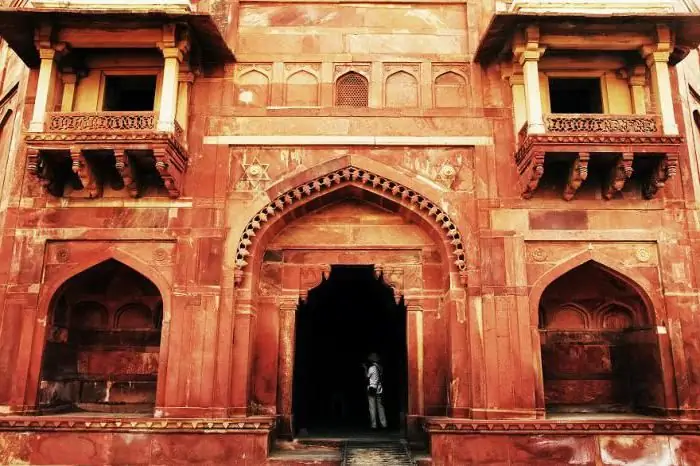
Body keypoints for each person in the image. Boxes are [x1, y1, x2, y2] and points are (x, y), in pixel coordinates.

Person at [363, 352, 387, 429]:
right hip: (379, 389)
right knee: (381, 407)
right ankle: (384, 424)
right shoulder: (380, 367)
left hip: (372, 389)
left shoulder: (371, 368)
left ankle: (374, 425)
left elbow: (367, 377)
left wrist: (365, 368)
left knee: (372, 408)